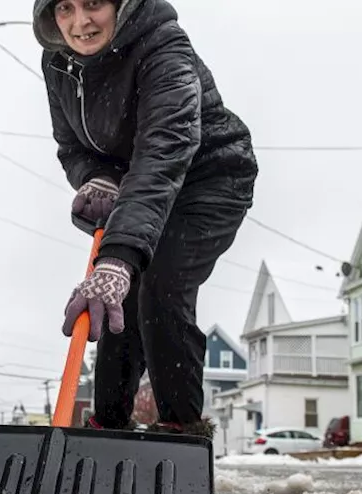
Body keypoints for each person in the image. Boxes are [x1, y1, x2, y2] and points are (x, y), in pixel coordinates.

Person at [34, 0, 259, 437]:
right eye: (65, 7)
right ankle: (106, 431)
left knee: (158, 285)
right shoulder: (57, 62)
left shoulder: (164, 48)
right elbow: (71, 147)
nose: (80, 22)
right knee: (119, 306)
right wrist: (95, 177)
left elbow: (164, 151)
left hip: (210, 178)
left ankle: (181, 434)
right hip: (138, 184)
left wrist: (118, 256)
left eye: (94, 3)